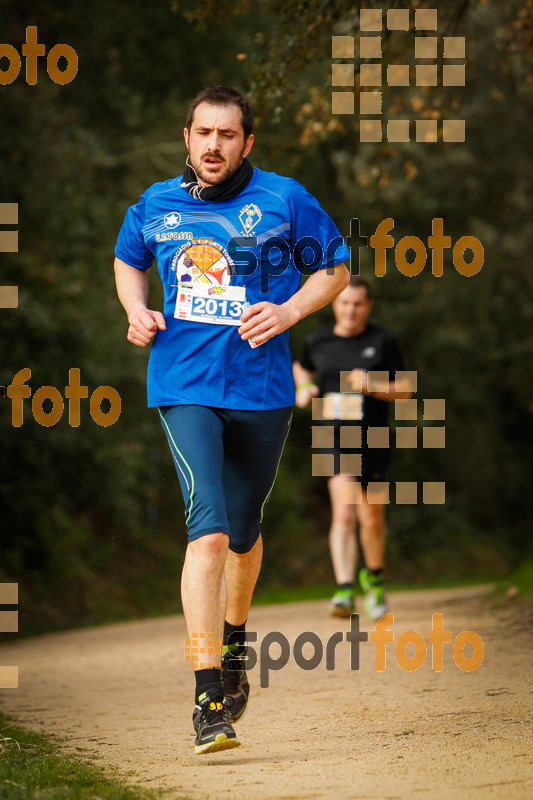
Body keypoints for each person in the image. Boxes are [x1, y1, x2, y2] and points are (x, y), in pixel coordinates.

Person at [113, 86, 350, 755]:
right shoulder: (156, 204)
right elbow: (127, 260)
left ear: (247, 143)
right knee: (209, 534)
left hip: (264, 391)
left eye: (226, 135)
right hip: (183, 386)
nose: (212, 146)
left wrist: (289, 312)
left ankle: (236, 641)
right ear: (186, 137)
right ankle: (206, 696)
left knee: (244, 537)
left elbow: (333, 270)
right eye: (201, 133)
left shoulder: (284, 198)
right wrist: (135, 309)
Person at [293, 276, 411, 621]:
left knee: (371, 519)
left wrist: (371, 385)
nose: (351, 310)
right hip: (333, 436)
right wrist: (305, 388)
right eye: (345, 303)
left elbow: (405, 389)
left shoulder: (383, 340)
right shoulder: (318, 340)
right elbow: (301, 367)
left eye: (358, 304)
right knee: (344, 512)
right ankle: (344, 588)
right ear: (334, 304)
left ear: (368, 306)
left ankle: (374, 578)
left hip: (373, 436)